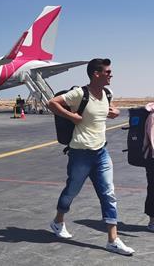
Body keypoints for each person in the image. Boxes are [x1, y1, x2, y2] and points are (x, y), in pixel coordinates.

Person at [47, 58, 134, 255]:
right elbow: (52, 103)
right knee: (71, 191)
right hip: (80, 153)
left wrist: (116, 112)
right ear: (96, 74)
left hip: (101, 153)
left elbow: (107, 111)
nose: (111, 75)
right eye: (108, 72)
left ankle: (113, 240)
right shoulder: (80, 93)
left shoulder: (107, 94)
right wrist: (71, 116)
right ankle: (58, 221)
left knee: (108, 195)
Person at [143, 103, 154, 231]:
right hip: (152, 159)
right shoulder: (152, 116)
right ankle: (152, 221)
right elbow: (152, 139)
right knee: (153, 189)